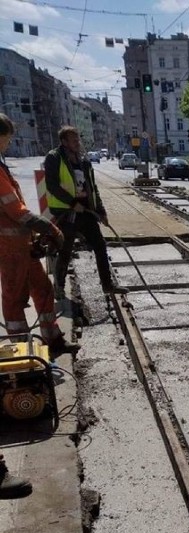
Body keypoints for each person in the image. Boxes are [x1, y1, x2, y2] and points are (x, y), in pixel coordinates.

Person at [0, 113, 79, 359]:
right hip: (8, 246)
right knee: (14, 297)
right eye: (7, 138)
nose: (9, 143)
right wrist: (48, 227)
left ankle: (52, 340)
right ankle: (23, 353)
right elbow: (15, 209)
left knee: (43, 289)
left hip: (21, 243)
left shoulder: (1, 166)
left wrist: (35, 233)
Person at [44, 126, 127, 297]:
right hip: (66, 213)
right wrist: (72, 203)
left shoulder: (84, 161)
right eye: (73, 140)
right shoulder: (54, 158)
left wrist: (101, 211)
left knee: (100, 245)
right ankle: (59, 287)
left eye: (77, 139)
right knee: (65, 250)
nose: (77, 143)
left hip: (87, 211)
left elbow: (93, 188)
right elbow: (52, 185)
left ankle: (107, 285)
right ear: (64, 142)